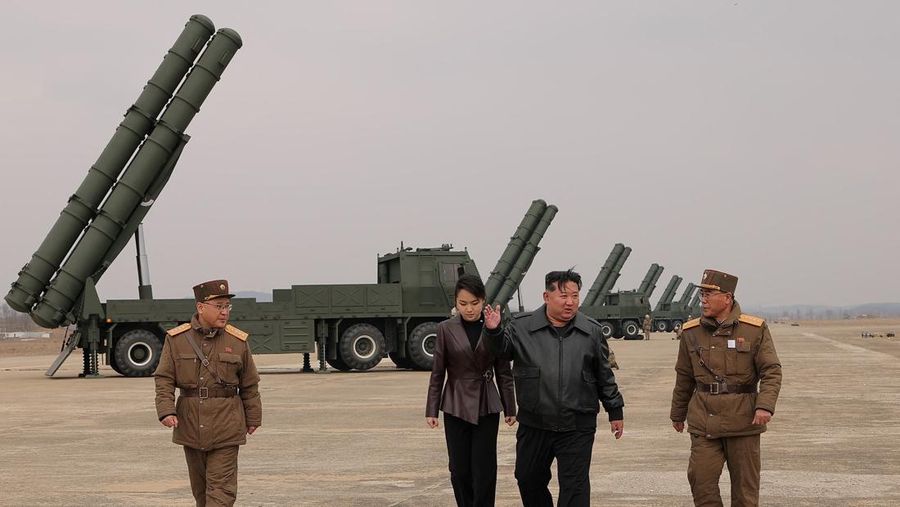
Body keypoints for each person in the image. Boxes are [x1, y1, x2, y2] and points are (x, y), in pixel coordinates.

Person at [483, 269, 624, 507]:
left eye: (575, 296)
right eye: (563, 296)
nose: (570, 302)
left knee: (575, 487)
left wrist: (615, 409)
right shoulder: (521, 327)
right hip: (535, 422)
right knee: (528, 478)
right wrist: (494, 331)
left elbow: (604, 373)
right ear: (546, 297)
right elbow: (499, 352)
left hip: (577, 423)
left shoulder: (591, 330)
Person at [670, 269, 782, 507]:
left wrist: (765, 406)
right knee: (700, 480)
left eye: (710, 294)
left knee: (745, 492)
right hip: (704, 420)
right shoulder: (691, 332)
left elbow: (771, 370)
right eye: (702, 294)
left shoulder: (753, 329)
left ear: (728, 298)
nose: (704, 299)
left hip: (743, 422)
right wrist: (677, 414)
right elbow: (684, 377)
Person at [154, 279, 262, 507]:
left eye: (227, 307)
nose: (225, 312)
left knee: (221, 493)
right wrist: (166, 410)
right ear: (201, 307)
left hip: (227, 424)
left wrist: (253, 417)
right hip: (191, 424)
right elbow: (164, 378)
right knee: (201, 493)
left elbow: (250, 385)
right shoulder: (177, 340)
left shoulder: (238, 341)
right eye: (219, 306)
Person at [426, 274, 517, 507]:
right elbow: (438, 372)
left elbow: (503, 371)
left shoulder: (494, 327)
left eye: (475, 303)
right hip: (455, 404)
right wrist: (432, 410)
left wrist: (510, 407)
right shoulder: (445, 329)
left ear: (483, 301)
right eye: (463, 303)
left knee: (484, 468)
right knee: (458, 469)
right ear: (455, 302)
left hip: (487, 404)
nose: (469, 309)